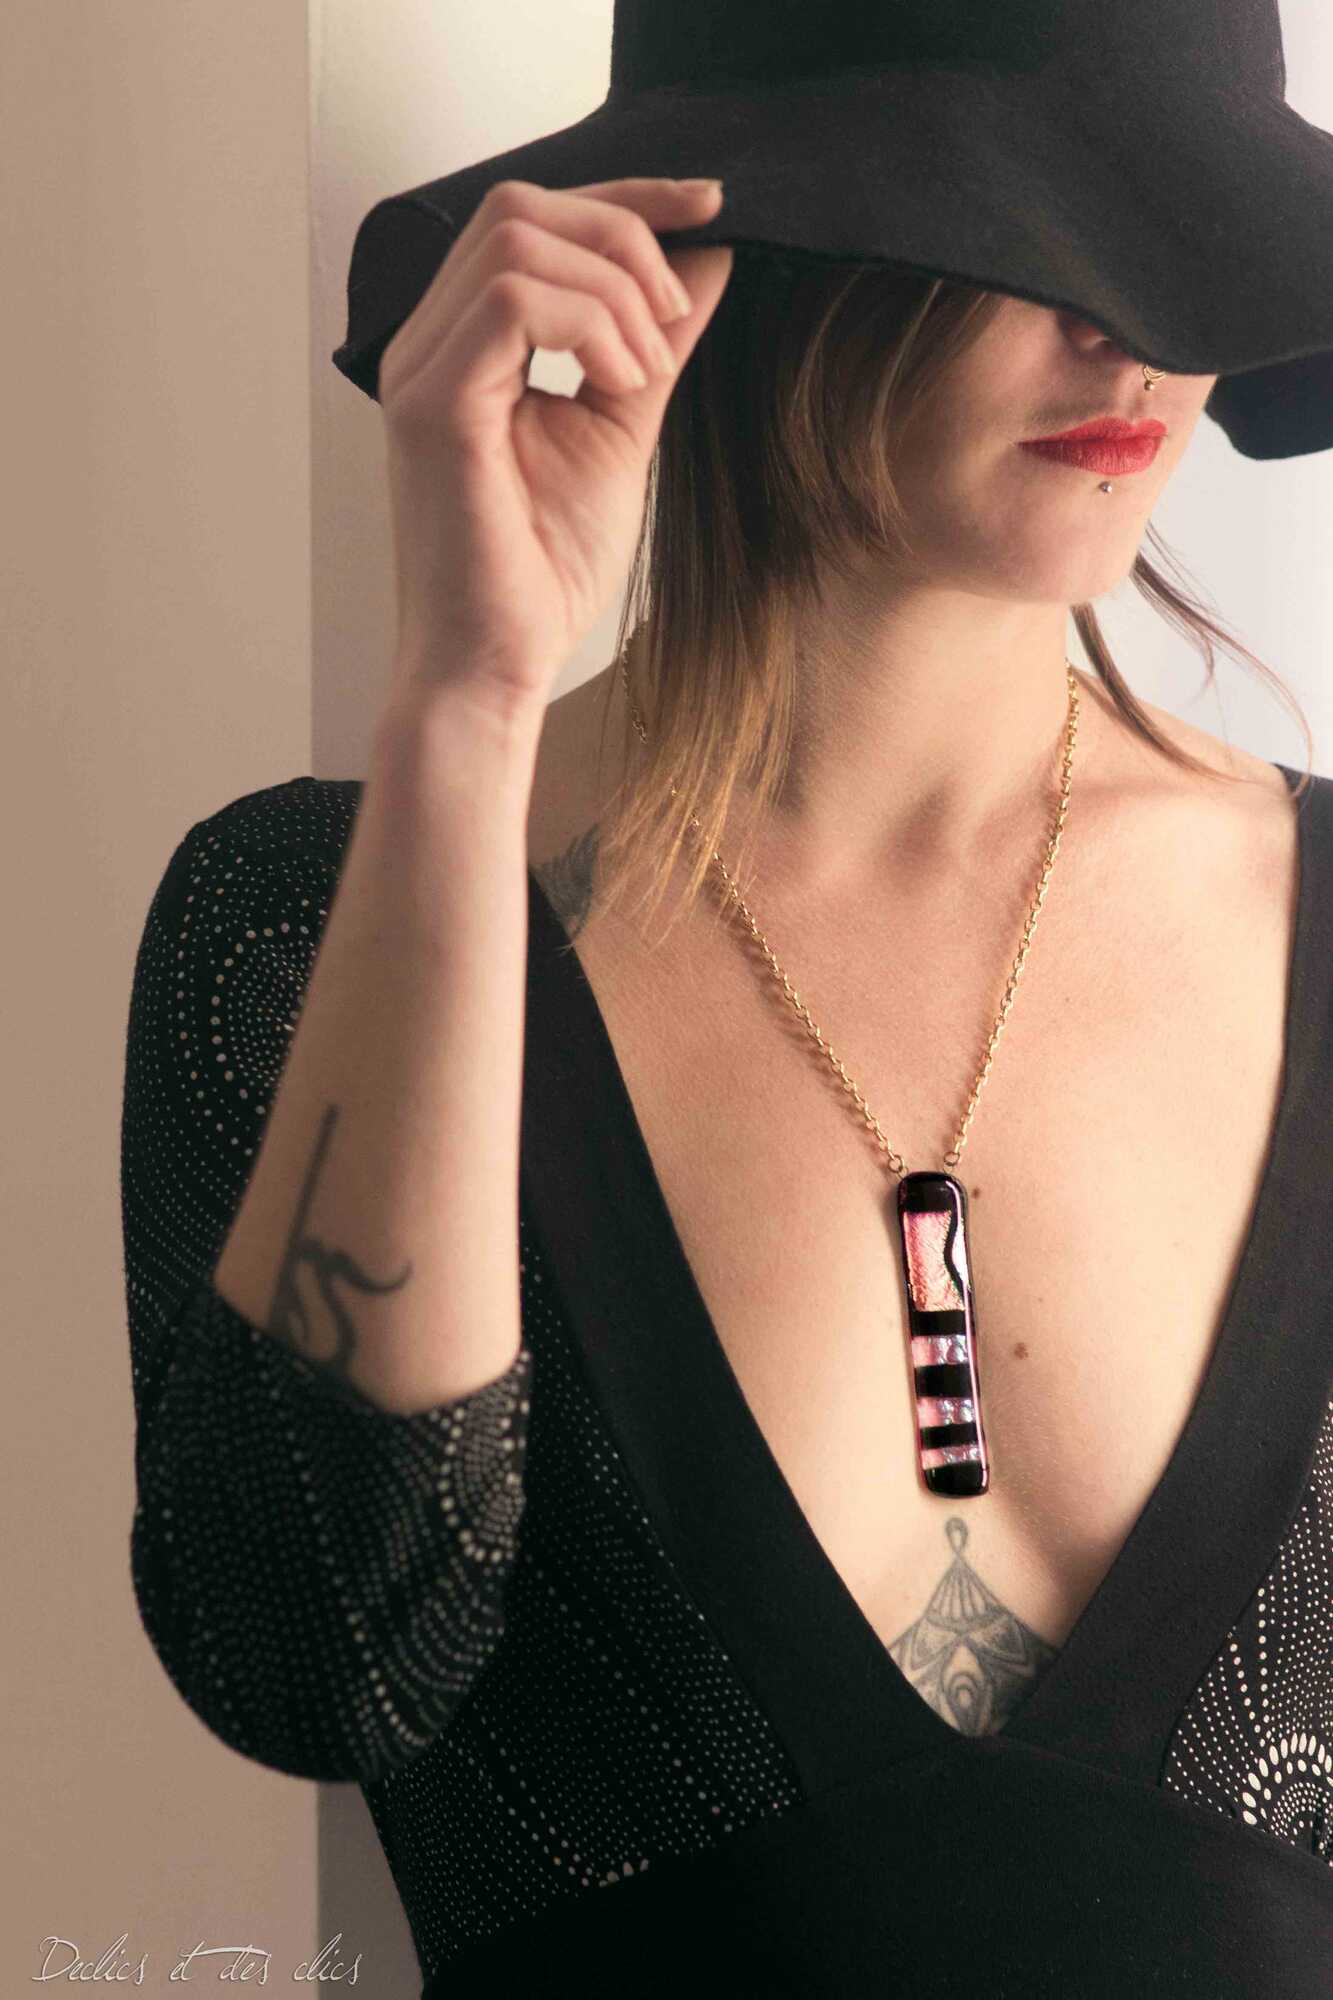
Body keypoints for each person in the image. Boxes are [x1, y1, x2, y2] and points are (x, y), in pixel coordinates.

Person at [121, 6, 1333, 1993]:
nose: (1128, 335)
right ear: (726, 249)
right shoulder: (306, 919)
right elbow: (312, 1666)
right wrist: (466, 703)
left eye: (1184, 235)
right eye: (1025, 241)